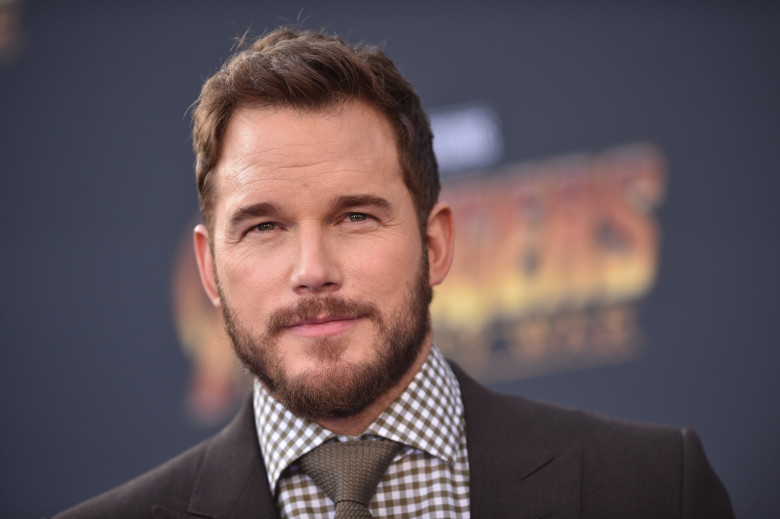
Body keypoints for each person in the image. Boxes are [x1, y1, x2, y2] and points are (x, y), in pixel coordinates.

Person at [53, 27, 734, 519]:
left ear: (435, 244)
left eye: (355, 216)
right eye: (264, 227)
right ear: (209, 269)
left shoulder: (654, 489)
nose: (312, 271)